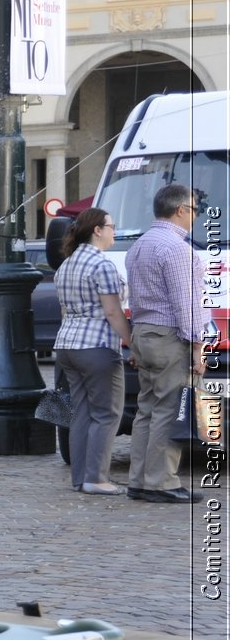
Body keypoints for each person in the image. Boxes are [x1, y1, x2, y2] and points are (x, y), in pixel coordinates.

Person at [125, 183, 208, 503]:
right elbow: (188, 305)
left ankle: (140, 479)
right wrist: (199, 348)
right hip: (169, 337)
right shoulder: (177, 249)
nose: (196, 216)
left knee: (147, 409)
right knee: (170, 410)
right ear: (181, 210)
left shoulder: (140, 245)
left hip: (144, 333)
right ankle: (160, 482)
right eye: (195, 210)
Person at [52, 208, 131, 496]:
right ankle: (96, 478)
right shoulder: (102, 265)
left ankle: (80, 478)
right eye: (111, 226)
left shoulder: (67, 264)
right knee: (107, 413)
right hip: (97, 346)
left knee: (81, 413)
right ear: (97, 230)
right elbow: (112, 311)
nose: (114, 231)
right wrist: (132, 342)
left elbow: (63, 309)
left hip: (67, 346)